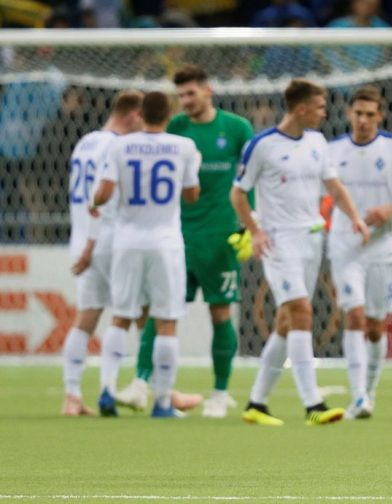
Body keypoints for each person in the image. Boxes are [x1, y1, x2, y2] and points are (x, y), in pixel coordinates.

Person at [117, 64, 255, 418]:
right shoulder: (174, 129)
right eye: (180, 96)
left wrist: (248, 226)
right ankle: (140, 383)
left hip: (221, 237)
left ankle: (220, 393)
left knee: (221, 312)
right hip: (177, 237)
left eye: (191, 94)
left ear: (209, 91)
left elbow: (249, 180)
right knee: (161, 313)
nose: (186, 101)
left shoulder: (237, 129)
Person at [231, 79, 370, 426]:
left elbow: (334, 186)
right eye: (321, 106)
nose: (326, 112)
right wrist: (256, 231)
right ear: (301, 108)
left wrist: (355, 218)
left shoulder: (317, 142)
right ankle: (313, 405)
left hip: (312, 239)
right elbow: (237, 194)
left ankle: (256, 403)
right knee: (302, 311)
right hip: (279, 241)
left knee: (285, 321)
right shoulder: (261, 146)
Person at [89, 91, 201, 418]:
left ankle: (107, 391)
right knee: (166, 321)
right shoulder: (183, 147)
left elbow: (105, 192)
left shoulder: (119, 146)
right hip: (165, 242)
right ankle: (163, 402)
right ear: (170, 114)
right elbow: (192, 194)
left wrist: (94, 203)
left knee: (121, 315)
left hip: (127, 240)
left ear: (140, 115)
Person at [327, 86, 392, 419]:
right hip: (344, 244)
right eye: (359, 113)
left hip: (382, 247)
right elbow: (321, 196)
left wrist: (391, 208)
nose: (364, 120)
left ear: (380, 116)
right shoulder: (332, 150)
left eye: (371, 114)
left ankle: (369, 390)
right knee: (353, 314)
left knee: (375, 324)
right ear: (348, 114)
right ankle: (358, 398)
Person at [61, 90, 144, 416]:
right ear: (134, 115)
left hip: (80, 237)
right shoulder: (118, 147)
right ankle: (130, 387)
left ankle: (71, 395)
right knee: (134, 314)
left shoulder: (86, 142)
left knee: (86, 317)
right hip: (108, 240)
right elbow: (104, 200)